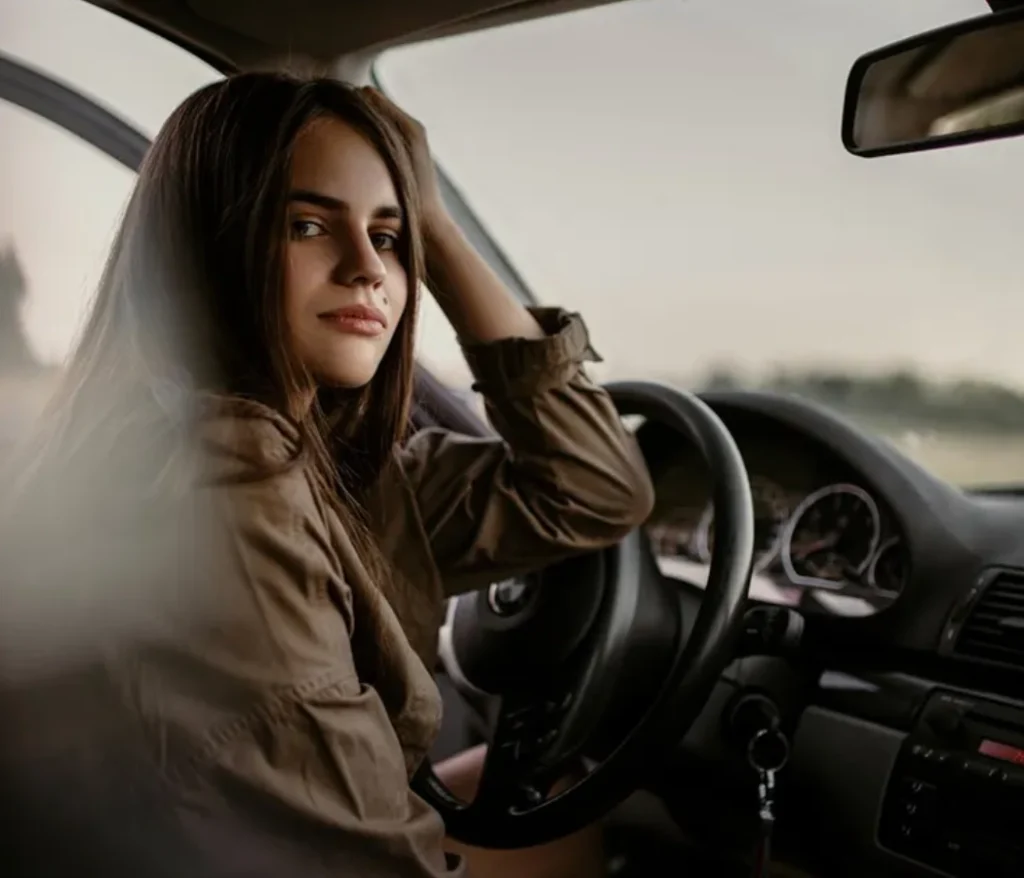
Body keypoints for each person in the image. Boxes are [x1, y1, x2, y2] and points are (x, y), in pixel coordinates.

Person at [0, 74, 653, 876]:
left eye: (387, 236)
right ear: (210, 247)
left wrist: (435, 224)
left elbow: (595, 489)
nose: (367, 270)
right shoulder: (230, 482)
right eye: (308, 225)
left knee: (545, 783)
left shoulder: (323, 463)